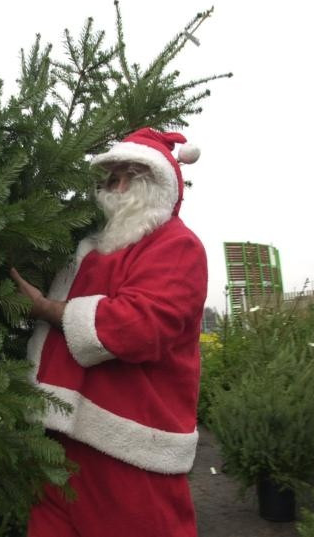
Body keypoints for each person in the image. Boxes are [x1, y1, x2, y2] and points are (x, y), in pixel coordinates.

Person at [11, 127, 207, 537]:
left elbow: (139, 325)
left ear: (154, 183)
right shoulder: (90, 249)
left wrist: (47, 309)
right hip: (59, 438)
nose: (111, 188)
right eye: (108, 178)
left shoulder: (178, 245)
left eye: (124, 177)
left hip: (130, 446)